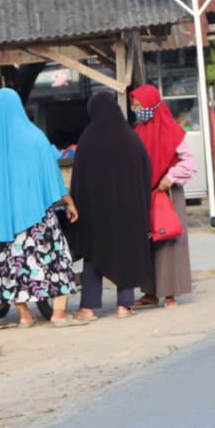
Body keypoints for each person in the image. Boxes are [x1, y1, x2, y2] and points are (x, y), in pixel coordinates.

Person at [0, 88, 82, 328]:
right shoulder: (35, 138)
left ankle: (25, 315)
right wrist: (69, 201)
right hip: (37, 218)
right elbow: (51, 174)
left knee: (10, 266)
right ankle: (59, 314)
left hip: (2, 222)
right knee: (55, 260)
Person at [68, 90, 153, 321]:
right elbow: (145, 173)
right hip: (127, 211)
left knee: (94, 255)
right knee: (125, 252)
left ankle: (88, 308)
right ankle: (124, 306)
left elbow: (78, 180)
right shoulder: (130, 138)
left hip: (96, 213)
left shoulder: (88, 139)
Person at [130, 84, 195, 308]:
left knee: (169, 241)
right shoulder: (138, 132)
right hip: (146, 193)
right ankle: (150, 292)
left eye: (140, 105)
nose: (137, 110)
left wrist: (170, 176)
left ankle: (170, 293)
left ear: (151, 104)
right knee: (148, 243)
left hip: (168, 193)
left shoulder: (173, 130)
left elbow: (189, 162)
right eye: (135, 106)